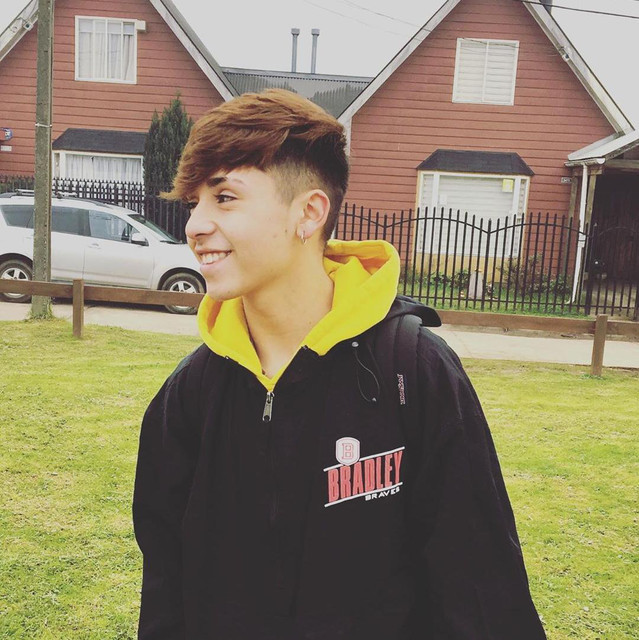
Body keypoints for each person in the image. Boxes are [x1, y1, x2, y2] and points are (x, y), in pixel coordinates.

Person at [132, 89, 546, 639]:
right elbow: (166, 590)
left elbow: (480, 586)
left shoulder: (413, 372)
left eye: (224, 197)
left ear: (309, 212)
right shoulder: (189, 395)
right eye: (194, 202)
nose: (195, 225)